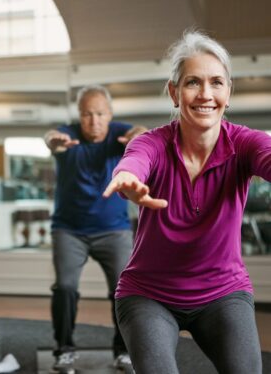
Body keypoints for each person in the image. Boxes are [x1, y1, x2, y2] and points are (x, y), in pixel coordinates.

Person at [103, 30, 271, 374]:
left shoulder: (246, 144)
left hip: (223, 291)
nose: (205, 94)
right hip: (149, 293)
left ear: (228, 92)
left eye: (216, 83)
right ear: (174, 92)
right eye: (193, 82)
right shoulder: (152, 143)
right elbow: (135, 160)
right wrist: (127, 180)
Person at [44, 84, 147, 373]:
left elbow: (141, 130)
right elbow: (51, 137)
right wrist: (53, 141)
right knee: (64, 287)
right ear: (79, 115)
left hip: (113, 230)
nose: (94, 121)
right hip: (69, 230)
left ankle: (123, 350)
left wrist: (138, 136)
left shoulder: (119, 133)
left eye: (100, 114)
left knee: (124, 289)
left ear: (110, 114)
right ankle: (64, 349)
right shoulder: (69, 135)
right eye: (87, 114)